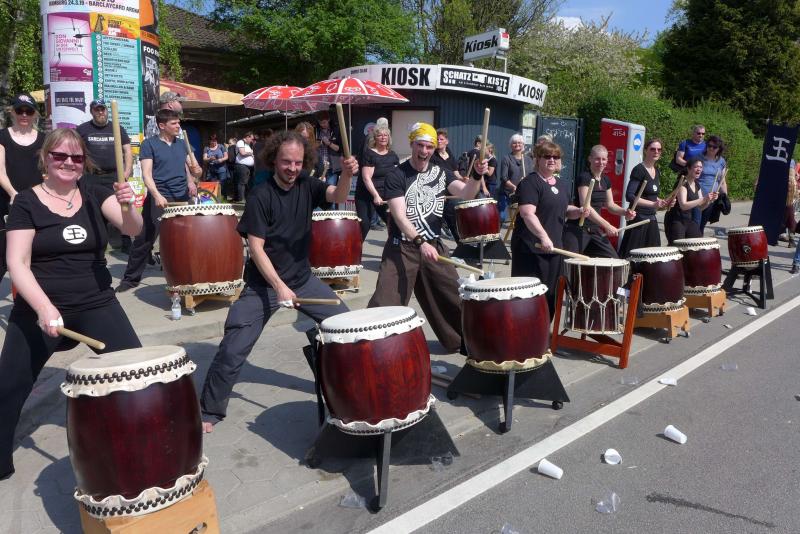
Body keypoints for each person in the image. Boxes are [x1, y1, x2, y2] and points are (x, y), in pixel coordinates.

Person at [0, 128, 142, 480]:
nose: (68, 163)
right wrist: (44, 308)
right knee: (9, 386)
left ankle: (142, 446)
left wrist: (130, 205)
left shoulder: (94, 191)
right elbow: (17, 263)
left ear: (84, 163)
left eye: (76, 158)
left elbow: (132, 230)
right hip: (41, 304)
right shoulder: (26, 202)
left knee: (137, 374)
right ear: (45, 158)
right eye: (60, 156)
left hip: (96, 301)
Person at [199, 131, 358, 432]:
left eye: (298, 162)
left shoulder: (307, 184)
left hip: (303, 279)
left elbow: (337, 197)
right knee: (233, 347)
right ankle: (209, 409)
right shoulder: (261, 195)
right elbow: (256, 248)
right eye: (286, 162)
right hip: (263, 285)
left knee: (346, 327)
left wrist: (347, 176)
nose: (292, 168)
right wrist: (279, 287)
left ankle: (349, 388)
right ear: (274, 160)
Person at [368, 123, 488, 352]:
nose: (424, 151)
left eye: (429, 147)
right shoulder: (397, 175)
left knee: (453, 296)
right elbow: (400, 216)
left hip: (433, 247)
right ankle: (377, 352)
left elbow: (466, 193)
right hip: (402, 248)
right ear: (412, 144)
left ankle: (467, 342)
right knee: (385, 303)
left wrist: (476, 175)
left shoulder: (441, 173)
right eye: (420, 145)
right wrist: (420, 242)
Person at [116, 109, 202, 292]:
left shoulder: (183, 144)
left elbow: (194, 169)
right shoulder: (149, 144)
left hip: (182, 197)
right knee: (145, 238)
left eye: (178, 122)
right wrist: (156, 195)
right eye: (174, 123)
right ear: (162, 126)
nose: (178, 126)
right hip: (160, 195)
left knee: (185, 239)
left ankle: (186, 275)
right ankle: (130, 279)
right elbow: (147, 174)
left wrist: (196, 173)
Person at [511, 141, 588, 319]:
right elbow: (527, 214)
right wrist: (543, 237)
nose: (552, 159)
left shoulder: (561, 184)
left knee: (550, 295)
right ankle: (527, 332)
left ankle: (544, 331)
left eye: (556, 157)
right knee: (530, 297)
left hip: (554, 249)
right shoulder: (530, 183)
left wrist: (579, 211)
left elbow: (565, 210)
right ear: (537, 159)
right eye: (547, 156)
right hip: (531, 248)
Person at [77, 99, 134, 252]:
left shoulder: (117, 128)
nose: (101, 112)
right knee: (93, 210)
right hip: (91, 176)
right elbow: (75, 151)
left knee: (122, 207)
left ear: (107, 110)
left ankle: (126, 241)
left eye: (103, 109)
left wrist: (126, 172)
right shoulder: (82, 129)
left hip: (114, 176)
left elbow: (128, 151)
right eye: (97, 110)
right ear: (92, 112)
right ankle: (97, 243)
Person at [0, 93, 46, 283]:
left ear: (35, 114)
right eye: (20, 110)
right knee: (3, 255)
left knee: (35, 257)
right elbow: (0, 171)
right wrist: (14, 194)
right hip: (7, 203)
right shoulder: (2, 136)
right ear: (12, 112)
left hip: (37, 204)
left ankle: (28, 296)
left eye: (29, 111)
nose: (24, 115)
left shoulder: (44, 139)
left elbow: (47, 171)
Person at [563, 145, 635, 258]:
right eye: (597, 159)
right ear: (590, 159)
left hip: (595, 230)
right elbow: (586, 207)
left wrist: (625, 212)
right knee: (570, 262)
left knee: (613, 259)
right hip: (578, 228)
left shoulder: (606, 180)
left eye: (604, 159)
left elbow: (610, 205)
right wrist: (607, 225)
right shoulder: (585, 177)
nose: (601, 162)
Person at [618, 138, 672, 258]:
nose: (656, 152)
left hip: (651, 217)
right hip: (638, 218)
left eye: (659, 149)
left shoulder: (656, 171)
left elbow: (651, 195)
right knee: (633, 256)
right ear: (645, 150)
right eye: (653, 149)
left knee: (653, 256)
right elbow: (630, 195)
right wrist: (653, 204)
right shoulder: (639, 170)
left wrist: (660, 201)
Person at [355, 124, 398, 241]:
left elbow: (396, 176)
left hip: (384, 194)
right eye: (380, 135)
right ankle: (355, 248)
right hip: (366, 194)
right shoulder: (369, 154)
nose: (383, 137)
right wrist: (375, 195)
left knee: (394, 223)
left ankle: (394, 249)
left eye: (386, 135)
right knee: (365, 224)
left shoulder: (393, 155)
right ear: (375, 138)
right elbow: (366, 178)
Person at [664, 158, 718, 244]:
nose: (699, 169)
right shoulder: (682, 183)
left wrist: (709, 201)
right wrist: (703, 199)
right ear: (688, 169)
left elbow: (700, 207)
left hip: (689, 219)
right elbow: (683, 205)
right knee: (678, 246)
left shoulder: (697, 184)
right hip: (676, 220)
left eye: (700, 167)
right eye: (696, 167)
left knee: (698, 244)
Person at [431, 129, 463, 240]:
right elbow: (432, 177)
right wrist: (440, 193)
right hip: (439, 193)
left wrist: (462, 179)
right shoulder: (432, 155)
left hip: (451, 191)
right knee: (436, 222)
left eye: (441, 139)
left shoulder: (449, 153)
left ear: (447, 141)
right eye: (437, 139)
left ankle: (460, 244)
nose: (439, 141)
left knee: (454, 221)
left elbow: (455, 172)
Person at [498, 134, 534, 223]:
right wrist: (514, 187)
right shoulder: (506, 159)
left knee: (522, 218)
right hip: (507, 192)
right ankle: (497, 231)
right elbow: (504, 177)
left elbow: (531, 176)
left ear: (523, 145)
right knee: (502, 217)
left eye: (519, 143)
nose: (517, 144)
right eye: (514, 143)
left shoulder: (528, 159)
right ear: (511, 145)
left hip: (522, 193)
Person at [698, 135, 728, 232]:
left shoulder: (721, 161)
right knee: (694, 223)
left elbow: (722, 181)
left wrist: (725, 197)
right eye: (709, 145)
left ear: (719, 149)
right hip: (698, 197)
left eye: (714, 147)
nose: (711, 148)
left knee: (702, 225)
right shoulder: (699, 158)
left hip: (711, 199)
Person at [316, 111, 341, 187]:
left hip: (332, 167)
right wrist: (319, 143)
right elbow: (312, 146)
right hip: (319, 166)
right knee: (319, 188)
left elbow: (339, 149)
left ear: (328, 120)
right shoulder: (316, 130)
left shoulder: (336, 130)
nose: (322, 125)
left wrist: (329, 143)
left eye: (324, 122)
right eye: (320, 123)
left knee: (330, 187)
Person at [235, 132, 255, 202]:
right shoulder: (240, 142)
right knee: (242, 182)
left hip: (249, 167)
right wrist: (251, 153)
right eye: (251, 139)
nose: (252, 140)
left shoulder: (248, 145)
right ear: (247, 137)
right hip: (242, 166)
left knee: (248, 183)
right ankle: (241, 199)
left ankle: (247, 198)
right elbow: (242, 153)